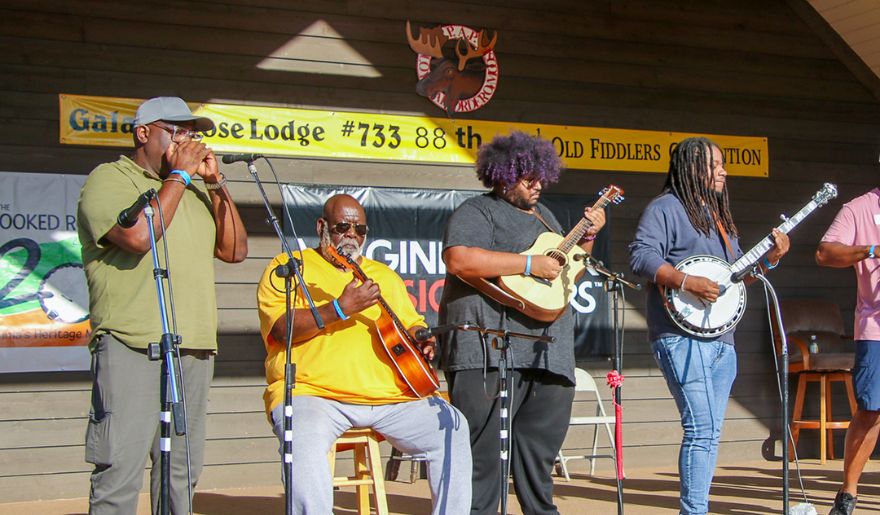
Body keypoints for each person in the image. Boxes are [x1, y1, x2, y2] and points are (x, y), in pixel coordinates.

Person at [77, 96, 248, 514]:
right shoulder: (110, 179)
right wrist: (179, 178)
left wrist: (215, 184)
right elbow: (137, 237)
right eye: (177, 132)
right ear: (143, 133)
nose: (188, 142)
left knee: (181, 470)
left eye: (192, 134)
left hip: (192, 346)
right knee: (120, 467)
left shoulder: (190, 189)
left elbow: (235, 250)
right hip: (132, 343)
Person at [256, 193, 472, 515]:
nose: (352, 236)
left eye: (360, 230)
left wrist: (422, 340)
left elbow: (412, 324)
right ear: (322, 226)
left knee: (452, 425)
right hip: (315, 395)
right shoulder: (292, 267)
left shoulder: (382, 275)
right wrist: (339, 309)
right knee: (301, 436)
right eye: (343, 226)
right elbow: (279, 329)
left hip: (389, 399)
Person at [438, 131, 606, 515]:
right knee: (481, 454)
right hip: (488, 347)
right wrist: (528, 263)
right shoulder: (476, 212)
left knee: (539, 448)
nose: (537, 185)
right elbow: (460, 260)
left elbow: (567, 273)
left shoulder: (546, 216)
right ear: (501, 175)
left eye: (541, 176)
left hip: (548, 350)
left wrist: (590, 234)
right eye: (527, 177)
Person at [628, 137, 789, 515]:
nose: (724, 171)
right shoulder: (665, 208)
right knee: (701, 429)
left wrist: (771, 260)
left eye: (723, 164)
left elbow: (736, 278)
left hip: (722, 339)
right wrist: (686, 282)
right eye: (714, 164)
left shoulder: (720, 219)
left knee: (711, 433)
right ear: (690, 168)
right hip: (680, 337)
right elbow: (640, 256)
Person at [816, 188, 880, 515]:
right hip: (876, 327)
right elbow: (825, 252)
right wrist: (872, 249)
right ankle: (848, 494)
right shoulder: (860, 208)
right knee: (871, 410)